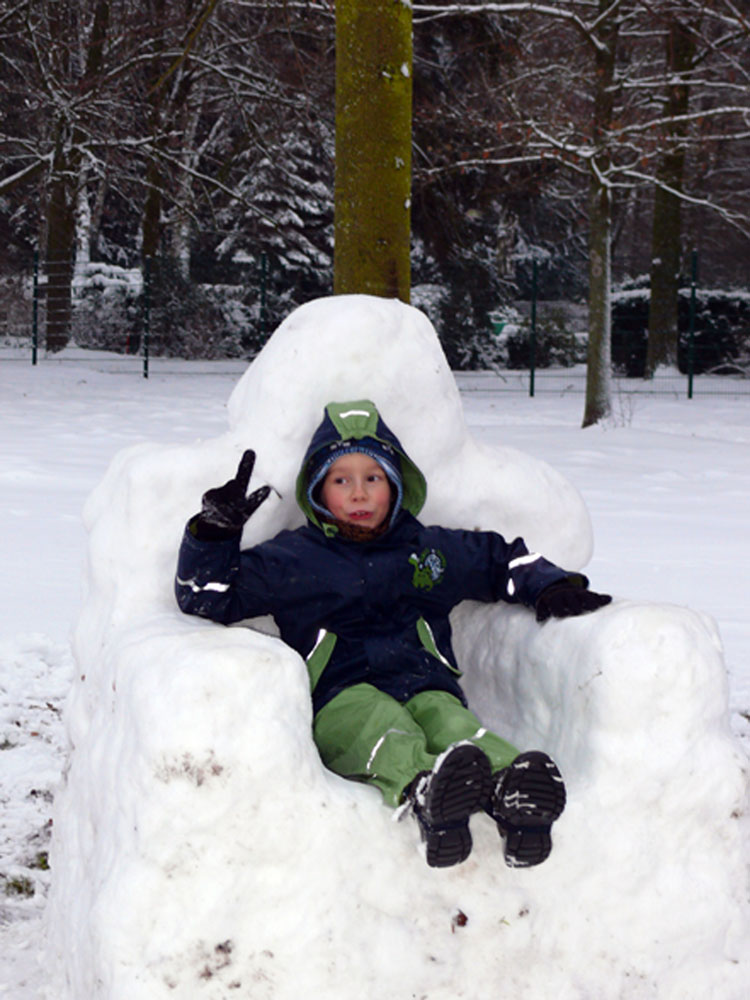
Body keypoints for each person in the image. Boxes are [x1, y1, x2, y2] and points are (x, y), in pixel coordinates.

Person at [175, 400, 611, 869]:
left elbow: (498, 559)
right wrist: (213, 535)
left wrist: (547, 586)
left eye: (373, 478)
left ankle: (513, 789)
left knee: (454, 725)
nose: (359, 494)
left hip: (425, 683)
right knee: (379, 724)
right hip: (341, 696)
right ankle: (425, 789)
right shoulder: (294, 559)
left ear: (397, 482)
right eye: (342, 480)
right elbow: (209, 598)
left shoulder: (427, 550)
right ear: (318, 491)